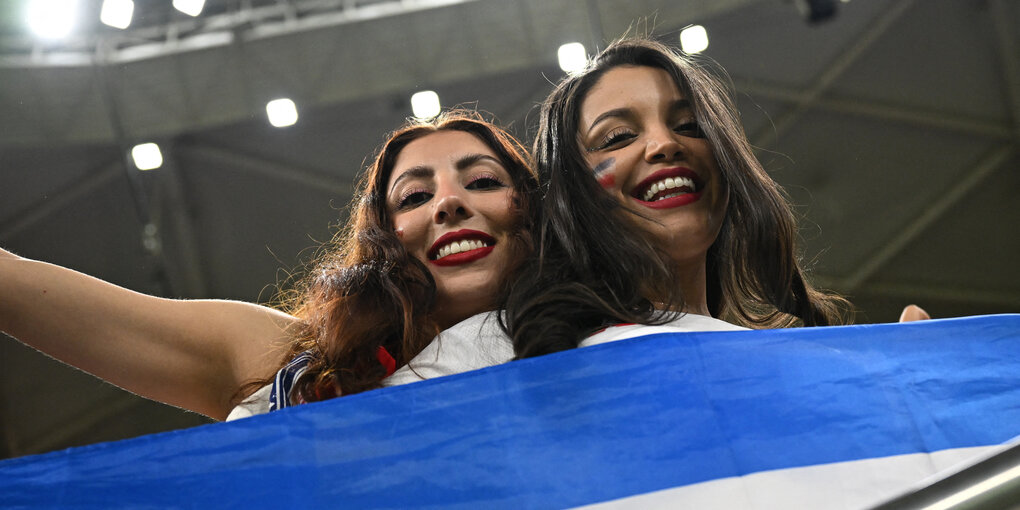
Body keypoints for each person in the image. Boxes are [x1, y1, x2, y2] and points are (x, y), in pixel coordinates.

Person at [0, 110, 538, 421]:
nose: (448, 203)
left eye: (484, 181)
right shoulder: (294, 365)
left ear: (535, 209)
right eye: (414, 196)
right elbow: (15, 286)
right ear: (384, 243)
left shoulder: (616, 336)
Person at [499, 37, 855, 359]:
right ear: (569, 196)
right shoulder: (575, 372)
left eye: (689, 126)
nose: (666, 144)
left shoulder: (775, 358)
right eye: (618, 137)